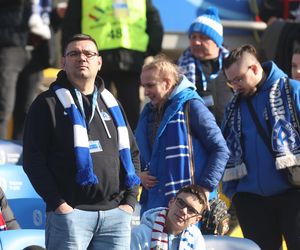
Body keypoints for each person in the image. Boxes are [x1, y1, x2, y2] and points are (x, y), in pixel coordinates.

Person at [23, 34, 141, 250]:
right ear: (63, 62)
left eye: (88, 53)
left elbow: (132, 153)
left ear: (99, 62)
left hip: (116, 216)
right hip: (70, 215)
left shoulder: (112, 103)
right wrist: (59, 204)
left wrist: (129, 202)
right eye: (74, 53)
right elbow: (33, 160)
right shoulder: (46, 104)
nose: (82, 58)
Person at [222, 44, 300, 250]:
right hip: (251, 201)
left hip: (293, 192)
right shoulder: (234, 105)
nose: (235, 86)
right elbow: (224, 148)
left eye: (238, 79)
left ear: (255, 69)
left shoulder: (292, 90)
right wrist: (234, 194)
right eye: (230, 82)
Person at [135, 54, 230, 216]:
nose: (145, 93)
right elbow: (135, 152)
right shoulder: (148, 112)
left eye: (150, 86)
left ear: (167, 83)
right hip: (155, 205)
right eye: (143, 86)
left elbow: (220, 149)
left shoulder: (192, 106)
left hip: (189, 208)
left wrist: (204, 189)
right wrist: (138, 175)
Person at [61, 0, 163, 130]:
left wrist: (150, 49)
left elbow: (153, 20)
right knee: (95, 105)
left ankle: (131, 147)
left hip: (130, 60)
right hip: (95, 59)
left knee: (130, 110)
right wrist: (69, 53)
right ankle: (96, 142)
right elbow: (71, 23)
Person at [177, 6, 232, 125]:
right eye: (193, 37)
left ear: (217, 41)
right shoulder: (179, 68)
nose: (196, 42)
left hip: (232, 134)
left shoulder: (233, 64)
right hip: (197, 134)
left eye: (203, 37)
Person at [131, 184, 207, 250]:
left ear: (197, 220)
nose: (183, 211)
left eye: (191, 210)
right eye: (181, 203)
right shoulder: (139, 234)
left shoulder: (196, 238)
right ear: (171, 202)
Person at [0, 0, 31, 139]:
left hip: (39, 52)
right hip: (9, 45)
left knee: (28, 111)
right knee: (4, 108)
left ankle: (21, 156)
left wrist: (56, 16)